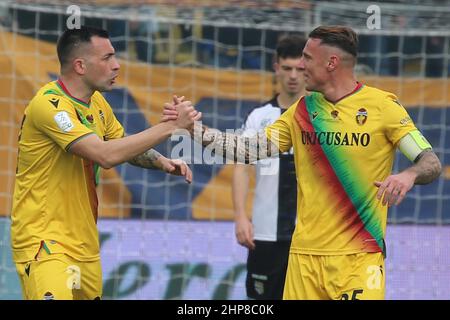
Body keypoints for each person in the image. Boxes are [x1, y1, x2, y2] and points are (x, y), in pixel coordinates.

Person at [163, 25, 442, 300]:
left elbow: (429, 161)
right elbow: (246, 149)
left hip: (358, 256)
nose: (301, 65)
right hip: (303, 259)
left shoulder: (383, 107)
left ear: (331, 62)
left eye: (307, 58)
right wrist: (195, 131)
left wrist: (409, 175)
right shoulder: (302, 111)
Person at [10, 26, 200, 300]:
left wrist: (161, 161)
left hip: (84, 244)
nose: (117, 65)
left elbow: (121, 143)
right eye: (107, 58)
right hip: (45, 243)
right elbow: (105, 155)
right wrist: (170, 128)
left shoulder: (97, 103)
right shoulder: (49, 106)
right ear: (80, 65)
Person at [232, 34, 306, 300]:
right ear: (276, 67)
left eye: (300, 68)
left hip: (309, 236)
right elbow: (241, 167)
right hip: (264, 232)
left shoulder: (323, 117)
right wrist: (241, 216)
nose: (294, 76)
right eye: (287, 68)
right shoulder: (259, 116)